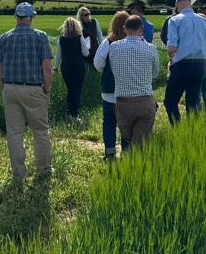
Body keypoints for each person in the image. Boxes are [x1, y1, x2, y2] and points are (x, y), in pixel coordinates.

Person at [0, 2, 54, 181]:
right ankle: (43, 169)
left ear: (16, 18)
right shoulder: (40, 37)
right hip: (34, 89)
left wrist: (3, 87)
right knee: (40, 131)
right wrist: (47, 90)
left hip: (10, 88)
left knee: (14, 133)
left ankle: (19, 174)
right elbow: (47, 68)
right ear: (31, 18)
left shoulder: (4, 38)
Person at [103, 15, 160, 149]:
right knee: (139, 143)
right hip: (144, 101)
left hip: (123, 103)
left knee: (128, 139)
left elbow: (113, 68)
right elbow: (155, 73)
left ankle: (126, 161)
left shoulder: (114, 47)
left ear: (124, 29)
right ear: (141, 29)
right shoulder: (151, 48)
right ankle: (134, 164)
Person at [163, 0, 206, 125]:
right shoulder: (204, 21)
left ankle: (177, 128)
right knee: (192, 102)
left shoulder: (175, 20)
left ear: (177, 6)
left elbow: (171, 47)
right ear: (190, 5)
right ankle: (192, 129)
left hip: (182, 65)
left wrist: (171, 59)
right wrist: (203, 61)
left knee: (170, 101)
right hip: (199, 66)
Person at [93, 10, 130, 160]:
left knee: (109, 120)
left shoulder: (108, 42)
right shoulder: (133, 43)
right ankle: (126, 152)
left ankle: (109, 152)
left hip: (109, 87)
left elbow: (98, 63)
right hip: (128, 89)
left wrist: (107, 71)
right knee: (126, 123)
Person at [55, 17, 90, 121]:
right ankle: (74, 114)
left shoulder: (61, 39)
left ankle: (70, 113)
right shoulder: (80, 37)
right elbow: (85, 53)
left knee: (70, 90)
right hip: (78, 67)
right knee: (77, 90)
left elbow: (58, 56)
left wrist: (55, 68)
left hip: (66, 67)